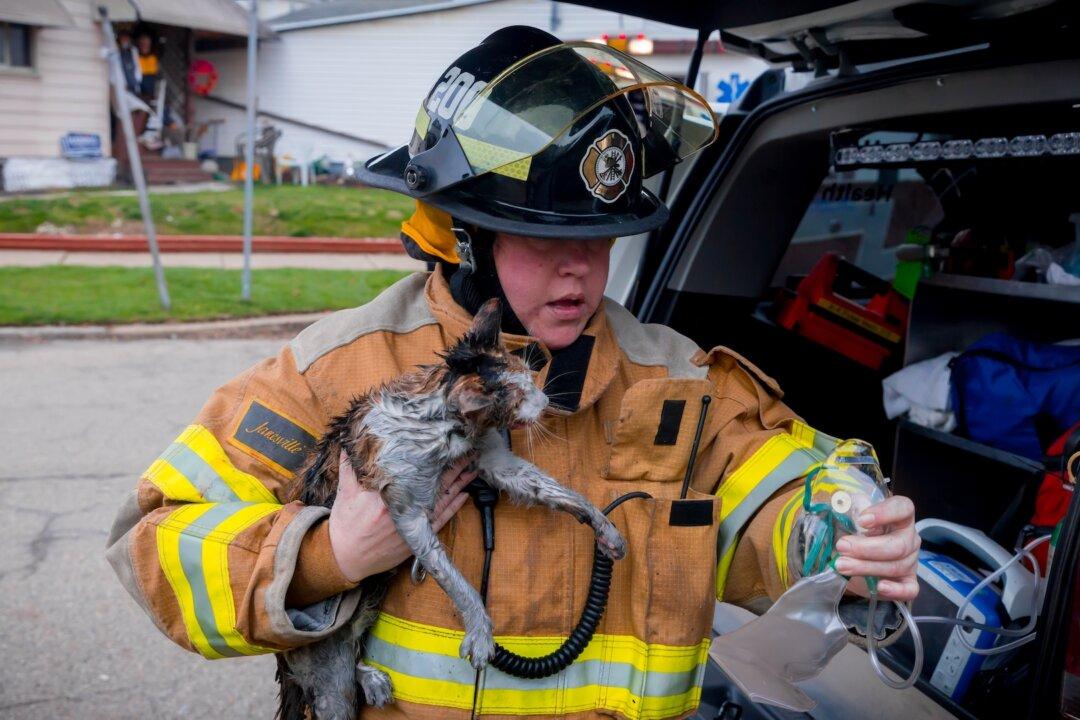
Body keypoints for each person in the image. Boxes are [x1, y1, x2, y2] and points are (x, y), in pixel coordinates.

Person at [106, 26, 919, 719]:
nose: (581, 275)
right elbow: (155, 544)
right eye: (544, 241)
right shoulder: (342, 369)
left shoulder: (675, 382)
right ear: (465, 237)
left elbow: (776, 498)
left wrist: (837, 532)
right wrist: (331, 554)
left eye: (599, 241)